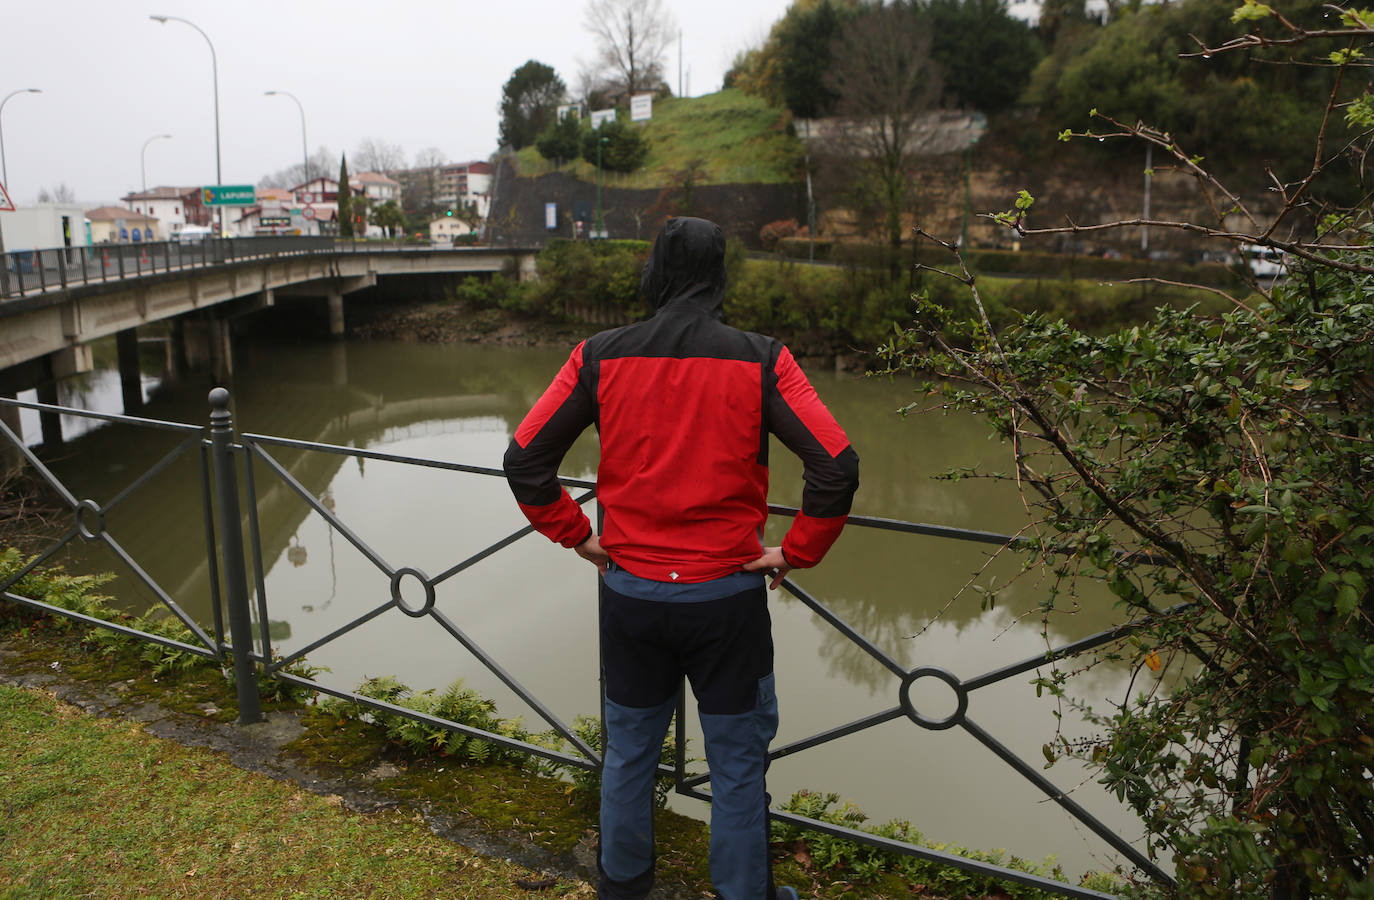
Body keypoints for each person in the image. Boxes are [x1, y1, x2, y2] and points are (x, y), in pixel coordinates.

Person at [504, 216, 859, 900]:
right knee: (735, 766)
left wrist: (575, 533)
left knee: (630, 754)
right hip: (726, 601)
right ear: (721, 275)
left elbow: (525, 458)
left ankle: (623, 888)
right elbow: (835, 465)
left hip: (632, 595)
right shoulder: (763, 360)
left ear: (655, 273)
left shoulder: (598, 356)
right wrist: (798, 550)